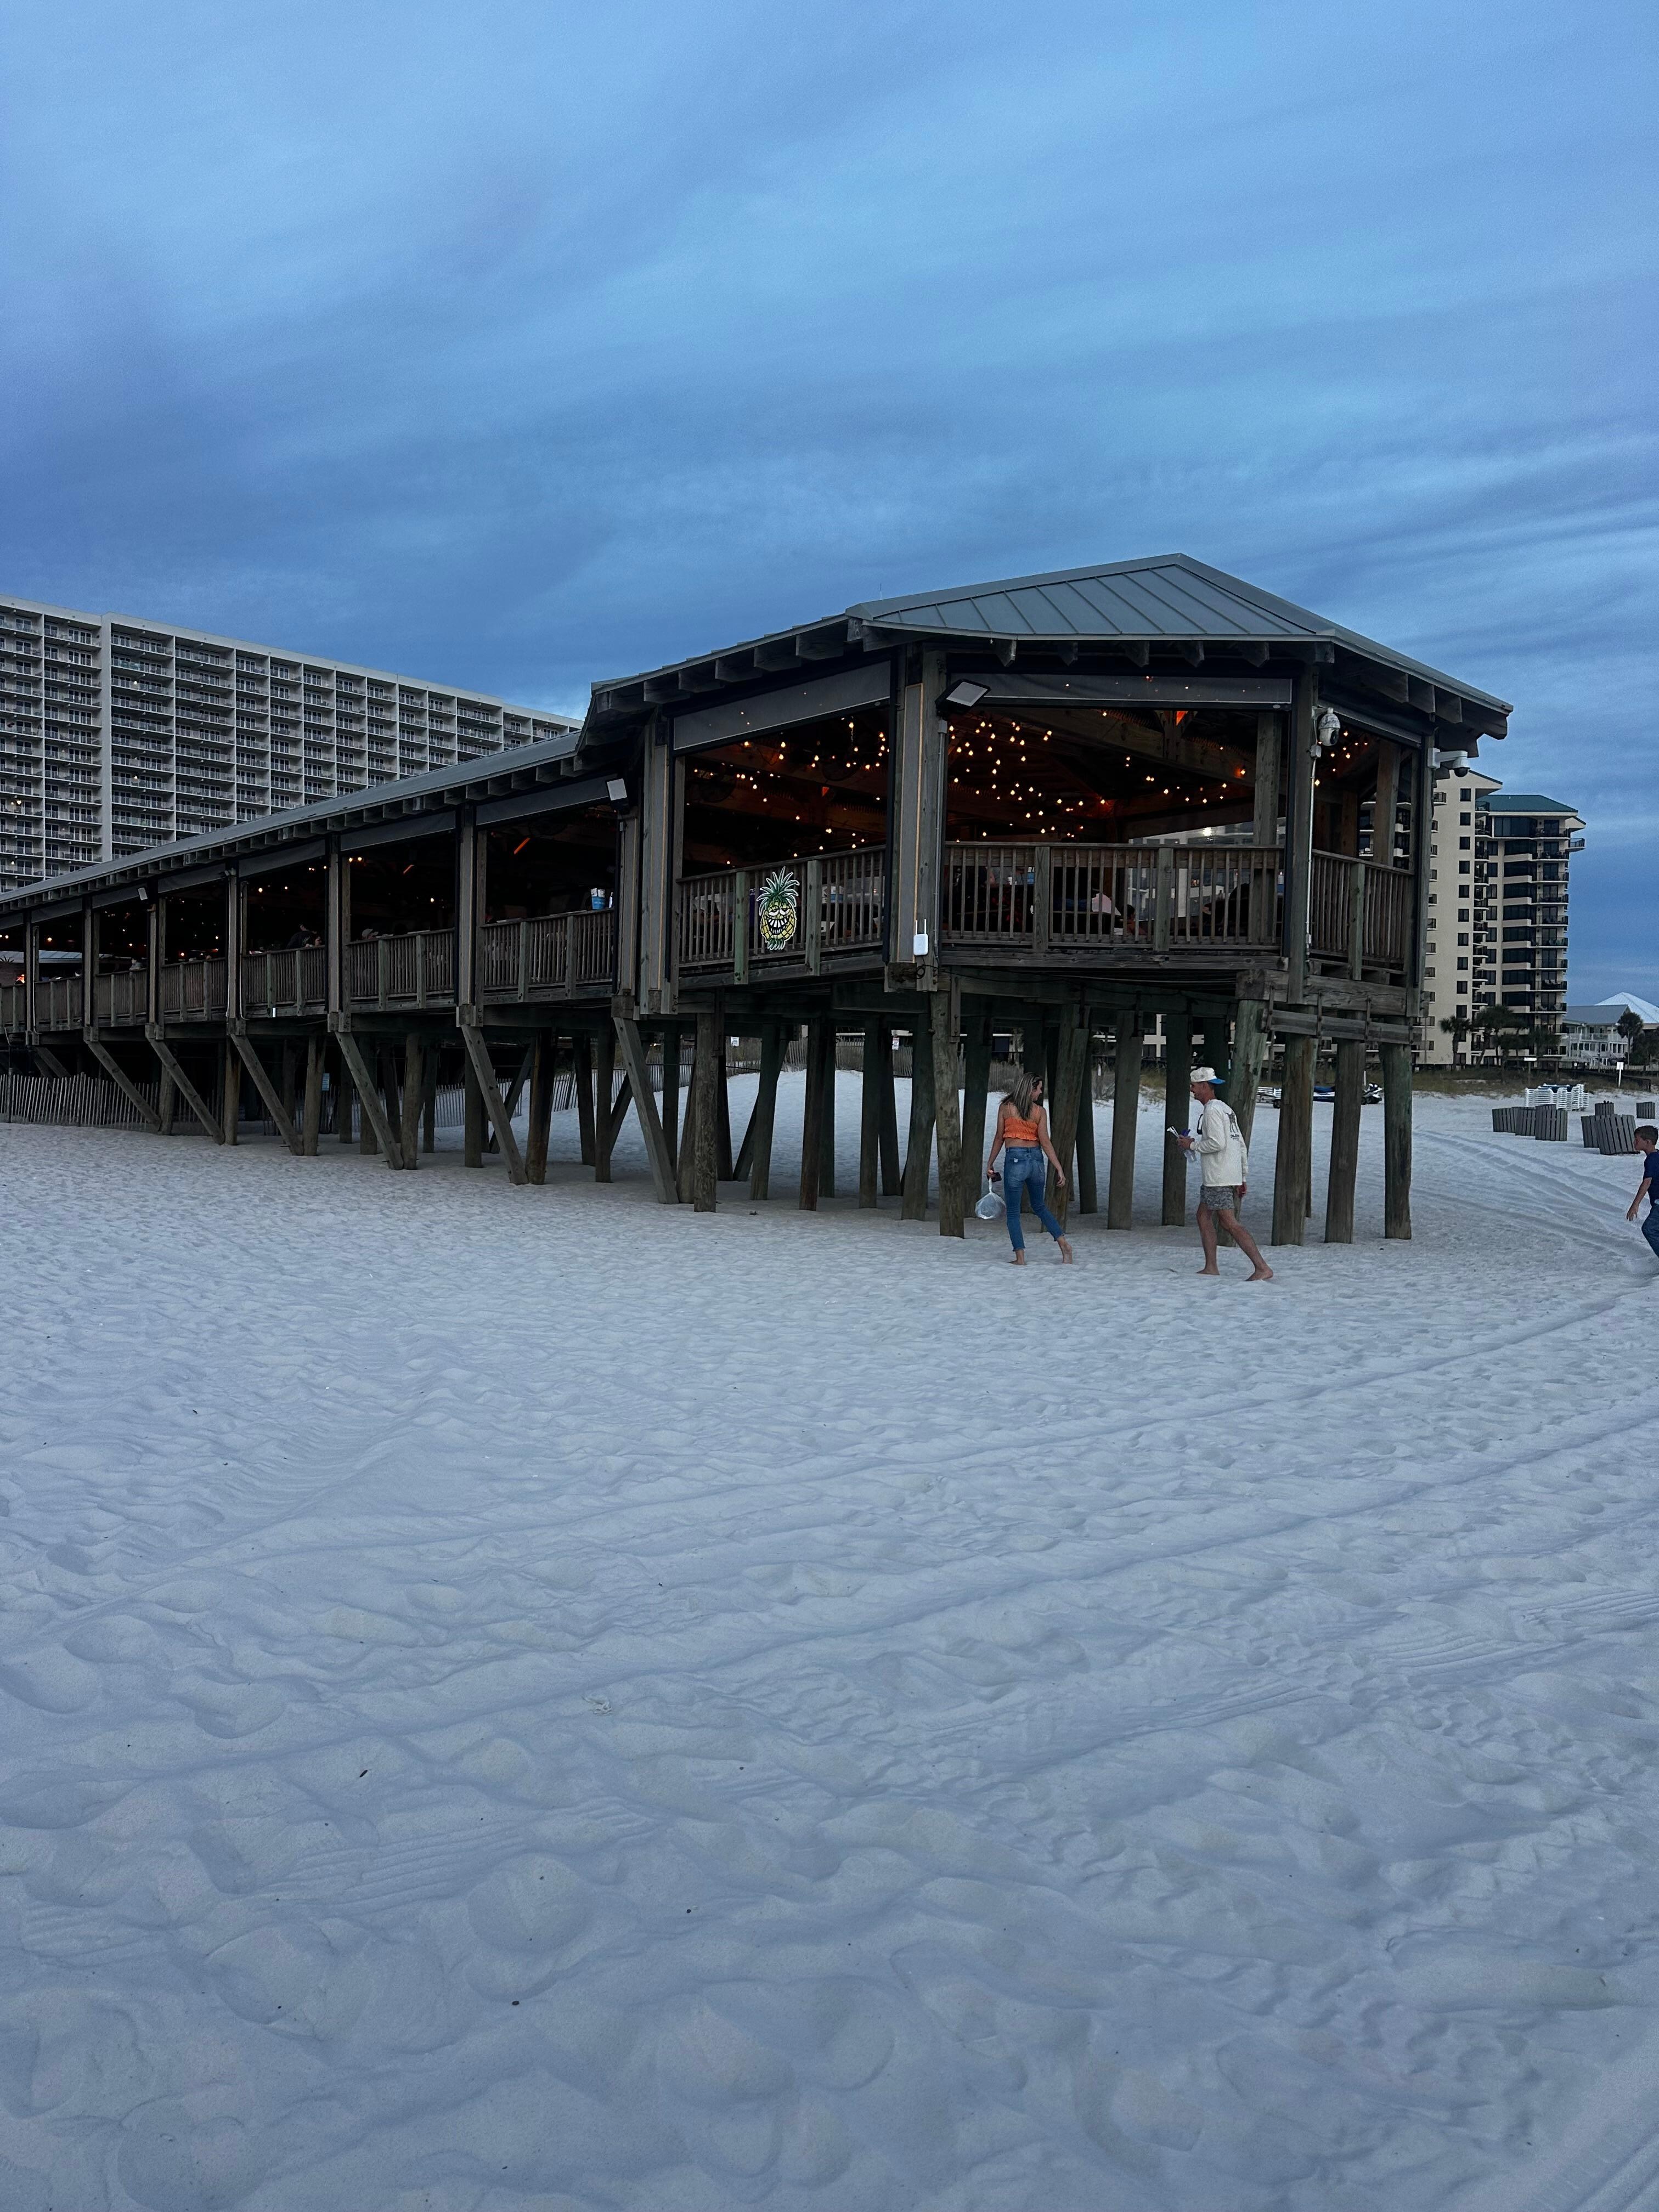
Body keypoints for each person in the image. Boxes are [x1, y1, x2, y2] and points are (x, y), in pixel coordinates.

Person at [1176, 1066, 1273, 1282]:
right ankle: (1211, 1266)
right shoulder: (1226, 1109)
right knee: (1203, 1216)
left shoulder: (1211, 1110)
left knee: (1229, 1223)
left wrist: (1191, 1145)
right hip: (1226, 1174)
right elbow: (1239, 1144)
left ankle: (1262, 1267)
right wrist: (1243, 1176)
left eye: (1193, 1086)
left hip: (1218, 1175)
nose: (1192, 1090)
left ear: (1204, 1086)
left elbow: (1217, 1144)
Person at [986, 1069, 1074, 1266]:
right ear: (1030, 1089)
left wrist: (990, 1162)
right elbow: (1045, 1142)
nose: (1040, 1093)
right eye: (1039, 1089)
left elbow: (999, 1138)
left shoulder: (1006, 1108)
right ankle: (1064, 1245)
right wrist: (1058, 1168)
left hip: (1015, 1161)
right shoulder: (1039, 1112)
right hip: (1036, 1161)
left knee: (1014, 1213)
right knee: (1040, 1207)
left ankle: (1021, 1258)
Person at [1627, 1125, 1659, 1262]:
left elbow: (1646, 1183)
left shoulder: (1651, 1160)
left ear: (1648, 1142)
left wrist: (1635, 1205)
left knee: (1649, 1229)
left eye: (1637, 1140)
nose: (1635, 1143)